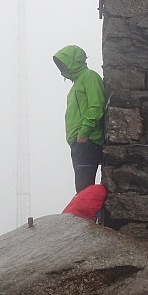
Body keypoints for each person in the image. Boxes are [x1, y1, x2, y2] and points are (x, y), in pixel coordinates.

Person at [53, 45, 105, 192]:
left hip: (88, 141)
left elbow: (96, 106)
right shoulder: (77, 83)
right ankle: (90, 215)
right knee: (82, 189)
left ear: (73, 60)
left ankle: (88, 216)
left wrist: (83, 133)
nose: (62, 66)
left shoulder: (89, 77)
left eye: (63, 61)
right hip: (80, 143)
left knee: (84, 189)